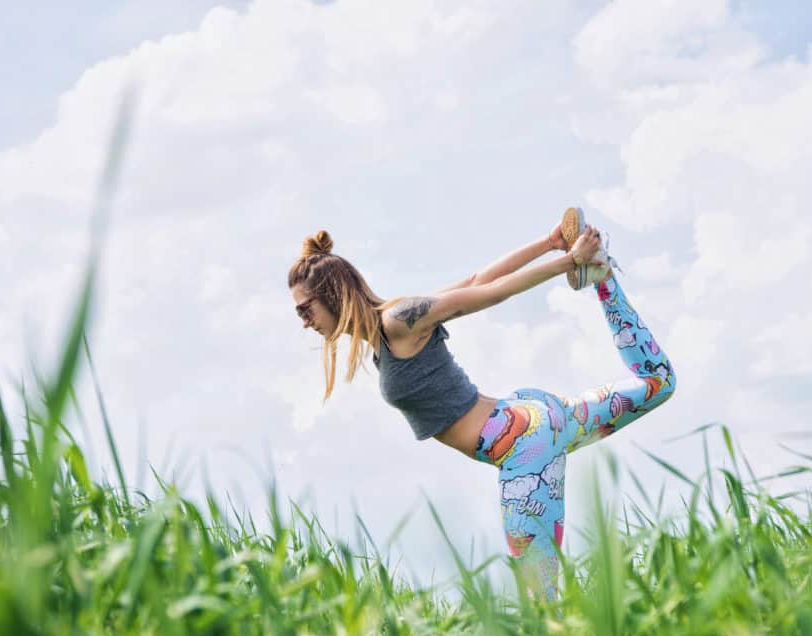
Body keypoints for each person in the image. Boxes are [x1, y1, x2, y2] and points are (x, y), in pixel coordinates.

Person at [288, 207, 676, 600]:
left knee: (540, 601)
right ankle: (604, 279)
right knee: (658, 383)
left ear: (332, 295)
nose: (305, 321)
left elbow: (489, 294)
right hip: (535, 423)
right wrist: (549, 244)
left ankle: (594, 269)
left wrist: (568, 263)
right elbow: (477, 279)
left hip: (524, 449)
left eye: (306, 309)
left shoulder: (398, 321)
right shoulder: (388, 329)